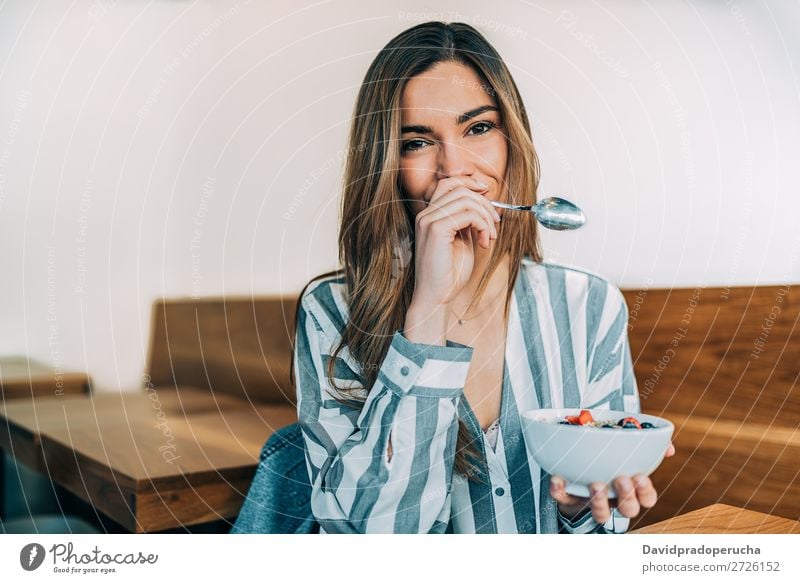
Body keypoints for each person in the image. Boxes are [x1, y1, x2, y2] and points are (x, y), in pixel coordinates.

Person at [292, 21, 674, 534]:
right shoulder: (330, 310)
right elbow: (373, 538)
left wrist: (581, 505)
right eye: (417, 142)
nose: (455, 168)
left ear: (512, 137)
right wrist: (428, 310)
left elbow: (599, 526)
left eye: (477, 128)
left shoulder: (590, 305)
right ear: (386, 164)